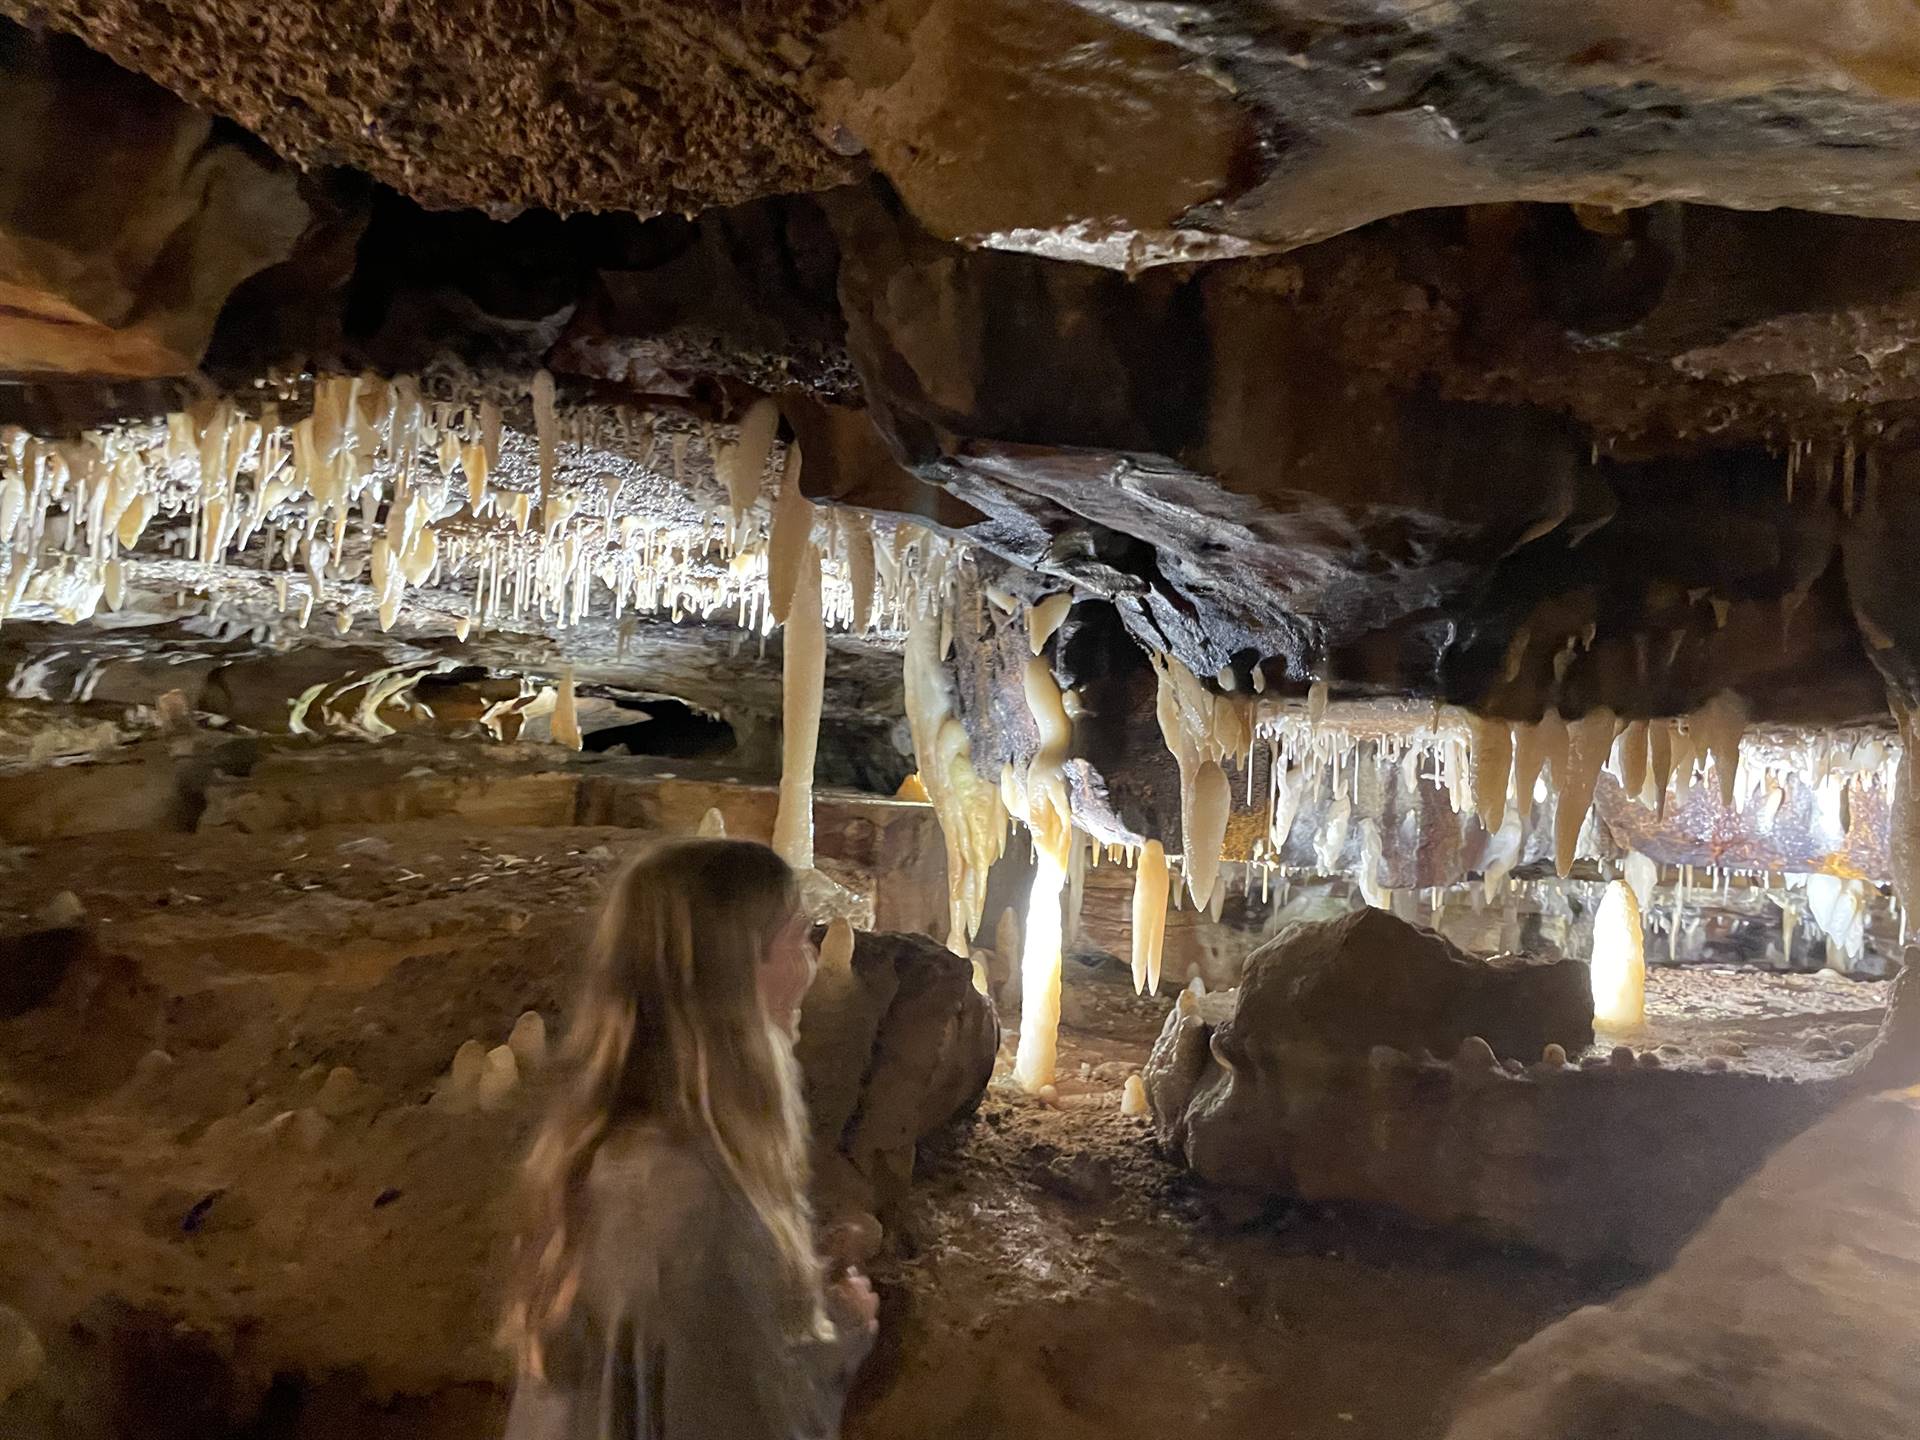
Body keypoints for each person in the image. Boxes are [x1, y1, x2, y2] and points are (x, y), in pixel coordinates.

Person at [501, 838, 879, 1440]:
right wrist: (842, 1334)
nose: (811, 964)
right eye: (797, 940)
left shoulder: (607, 1158)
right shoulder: (701, 1212)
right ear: (735, 974)